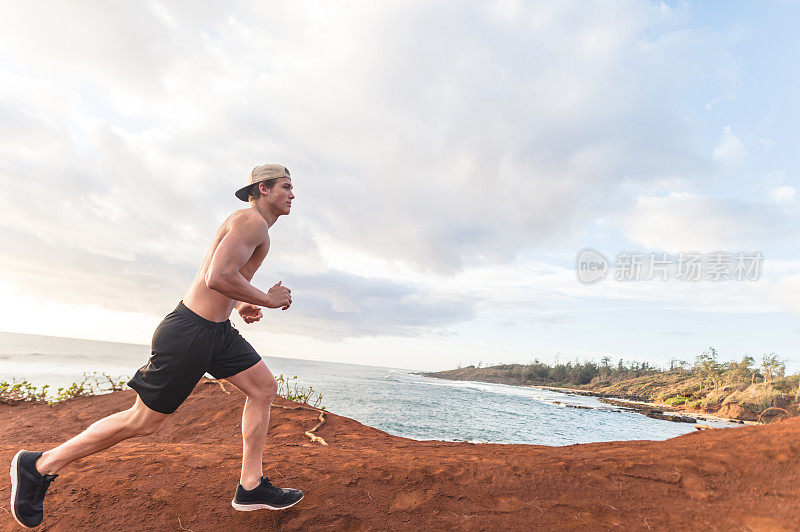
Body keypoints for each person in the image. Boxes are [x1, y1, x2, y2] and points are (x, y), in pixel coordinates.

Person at [10, 164, 302, 528]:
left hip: (217, 333)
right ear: (262, 189)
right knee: (143, 421)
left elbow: (229, 278)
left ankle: (251, 485)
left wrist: (243, 302)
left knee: (262, 388)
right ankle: (39, 465)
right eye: (286, 187)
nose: (293, 194)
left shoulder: (256, 229)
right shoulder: (251, 222)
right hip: (191, 333)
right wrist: (269, 299)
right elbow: (217, 277)